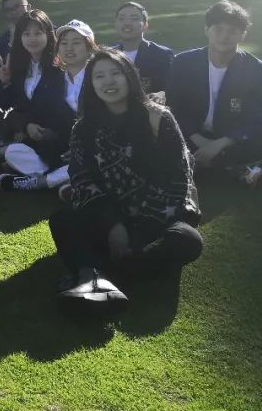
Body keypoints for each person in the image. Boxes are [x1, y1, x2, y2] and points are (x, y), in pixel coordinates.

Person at [49, 48, 203, 312]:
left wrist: (138, 234)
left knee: (188, 240)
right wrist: (114, 226)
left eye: (115, 73)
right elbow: (82, 180)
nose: (108, 82)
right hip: (110, 219)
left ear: (129, 76)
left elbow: (176, 181)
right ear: (91, 84)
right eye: (99, 76)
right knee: (63, 220)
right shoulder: (84, 128)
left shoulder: (158, 118)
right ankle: (112, 275)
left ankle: (98, 275)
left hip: (158, 219)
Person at [167, 0, 262, 182]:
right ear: (206, 30)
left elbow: (258, 117)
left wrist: (219, 144)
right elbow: (175, 107)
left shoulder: (257, 69)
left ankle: (203, 166)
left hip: (229, 139)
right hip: (192, 135)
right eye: (218, 29)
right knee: (162, 139)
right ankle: (234, 169)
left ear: (243, 35)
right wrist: (201, 141)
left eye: (232, 31)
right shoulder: (183, 63)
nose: (224, 36)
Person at [0, 20, 95, 193]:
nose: (69, 48)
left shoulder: (96, 77)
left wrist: (79, 147)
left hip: (93, 147)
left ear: (89, 47)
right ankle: (65, 180)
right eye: (64, 43)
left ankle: (40, 181)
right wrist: (40, 130)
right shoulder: (57, 78)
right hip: (62, 147)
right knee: (14, 152)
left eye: (76, 43)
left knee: (89, 163)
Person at [0, 9, 65, 172]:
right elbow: (6, 102)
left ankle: (0, 151)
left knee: (44, 140)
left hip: (43, 130)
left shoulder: (58, 69)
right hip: (19, 125)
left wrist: (25, 126)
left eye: (38, 33)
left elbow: (51, 111)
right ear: (20, 37)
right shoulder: (20, 65)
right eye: (26, 34)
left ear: (48, 35)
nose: (32, 39)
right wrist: (5, 82)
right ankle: (5, 149)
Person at [112, 2, 174, 95]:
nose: (127, 23)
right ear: (116, 24)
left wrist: (161, 94)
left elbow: (169, 88)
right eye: (121, 19)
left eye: (134, 19)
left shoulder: (161, 55)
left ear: (145, 25)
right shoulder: (108, 55)